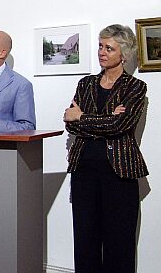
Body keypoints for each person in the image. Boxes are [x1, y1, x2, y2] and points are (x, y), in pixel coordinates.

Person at [63, 24, 148, 273]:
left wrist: (83, 117)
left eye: (109, 48)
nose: (102, 52)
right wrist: (103, 119)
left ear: (124, 54)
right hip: (84, 170)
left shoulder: (134, 87)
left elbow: (121, 126)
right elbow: (70, 124)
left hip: (119, 173)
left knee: (119, 242)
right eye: (100, 46)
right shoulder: (86, 83)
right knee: (85, 239)